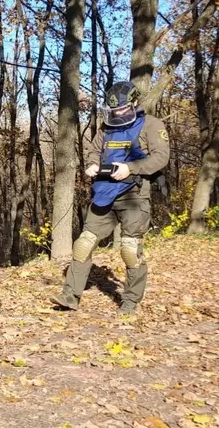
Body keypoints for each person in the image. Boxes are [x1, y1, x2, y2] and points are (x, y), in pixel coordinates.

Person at [52, 81, 170, 314]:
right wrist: (94, 165)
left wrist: (132, 168)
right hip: (104, 193)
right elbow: (95, 150)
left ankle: (130, 301)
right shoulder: (106, 128)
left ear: (134, 102)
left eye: (122, 109)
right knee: (83, 244)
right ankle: (70, 296)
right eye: (114, 110)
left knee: (129, 247)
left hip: (134, 195)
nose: (117, 114)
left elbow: (161, 157)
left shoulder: (151, 125)